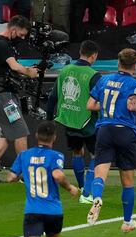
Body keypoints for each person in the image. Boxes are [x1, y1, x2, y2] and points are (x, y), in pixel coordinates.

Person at [86, 48, 136, 232]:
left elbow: (90, 105)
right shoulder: (135, 83)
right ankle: (127, 222)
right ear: (135, 65)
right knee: (127, 180)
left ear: (118, 63)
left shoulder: (103, 79)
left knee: (100, 171)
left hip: (104, 129)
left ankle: (97, 197)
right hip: (124, 131)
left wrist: (106, 108)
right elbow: (131, 105)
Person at [0, 15, 38, 183]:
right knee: (21, 132)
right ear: (13, 30)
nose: (22, 38)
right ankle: (25, 174)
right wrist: (29, 72)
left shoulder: (6, 44)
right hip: (3, 96)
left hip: (5, 94)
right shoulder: (1, 44)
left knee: (6, 134)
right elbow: (15, 66)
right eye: (21, 34)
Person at [47, 40, 101, 204]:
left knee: (77, 152)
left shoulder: (65, 70)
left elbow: (53, 97)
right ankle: (87, 192)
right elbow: (99, 101)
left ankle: (83, 187)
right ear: (94, 56)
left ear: (80, 52)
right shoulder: (94, 75)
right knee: (96, 156)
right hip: (88, 122)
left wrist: (50, 120)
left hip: (69, 119)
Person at [6, 121, 79, 237]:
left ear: (36, 135)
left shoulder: (24, 155)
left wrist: (25, 174)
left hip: (33, 211)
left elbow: (11, 178)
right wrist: (70, 187)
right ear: (54, 137)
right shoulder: (56, 155)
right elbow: (58, 175)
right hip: (53, 211)